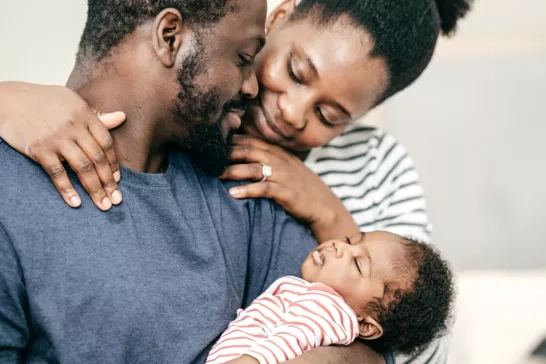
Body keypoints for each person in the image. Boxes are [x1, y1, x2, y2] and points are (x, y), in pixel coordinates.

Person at [0, 0, 472, 362]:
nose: (280, 108)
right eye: (251, 58)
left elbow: (390, 340)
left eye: (330, 115)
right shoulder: (29, 161)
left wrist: (326, 210)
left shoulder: (253, 192)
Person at [206, 231, 454, 364]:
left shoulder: (327, 308)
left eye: (357, 263)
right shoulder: (313, 297)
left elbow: (286, 341)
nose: (340, 247)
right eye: (351, 240)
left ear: (366, 325)